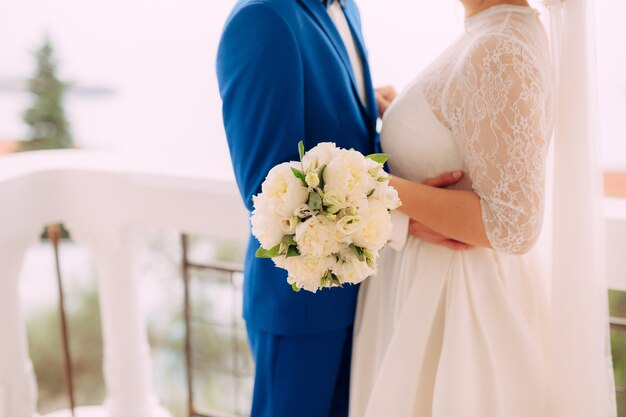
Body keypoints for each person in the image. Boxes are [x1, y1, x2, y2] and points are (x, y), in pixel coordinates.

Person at [350, 0, 616, 416]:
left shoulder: (499, 49)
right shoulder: (496, 29)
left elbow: (514, 224)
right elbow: (476, 133)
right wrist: (405, 118)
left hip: (458, 312)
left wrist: (372, 184)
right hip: (433, 290)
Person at [216, 1, 466, 416]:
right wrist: (401, 218)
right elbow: (271, 190)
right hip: (300, 311)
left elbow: (342, 131)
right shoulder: (260, 20)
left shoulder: (346, 8)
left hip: (365, 294)